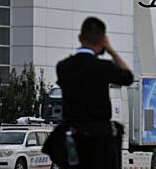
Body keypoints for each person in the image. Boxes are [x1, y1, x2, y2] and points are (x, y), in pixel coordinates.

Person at [56, 17, 134, 168]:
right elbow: (128, 77)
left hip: (73, 137)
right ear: (103, 41)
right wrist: (111, 51)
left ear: (80, 38)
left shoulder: (63, 67)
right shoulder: (104, 67)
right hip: (100, 138)